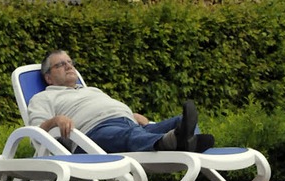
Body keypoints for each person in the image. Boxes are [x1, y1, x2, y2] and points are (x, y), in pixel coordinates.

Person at [27, 50, 215, 154]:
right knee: (129, 135)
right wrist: (55, 120)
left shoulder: (91, 90)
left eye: (70, 62)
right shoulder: (44, 97)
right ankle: (174, 142)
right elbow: (35, 132)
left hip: (128, 124)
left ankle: (185, 142)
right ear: (49, 78)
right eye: (60, 64)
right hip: (93, 134)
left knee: (179, 121)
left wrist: (129, 114)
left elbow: (105, 109)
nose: (69, 66)